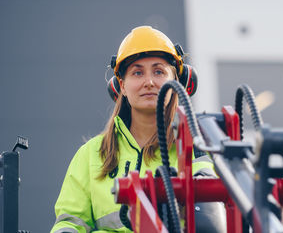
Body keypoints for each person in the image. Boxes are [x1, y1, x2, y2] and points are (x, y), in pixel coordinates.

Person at [50, 26, 217, 233]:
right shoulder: (89, 156)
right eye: (137, 72)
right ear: (121, 86)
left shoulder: (198, 150)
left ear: (176, 81)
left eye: (158, 71)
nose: (148, 82)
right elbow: (68, 226)